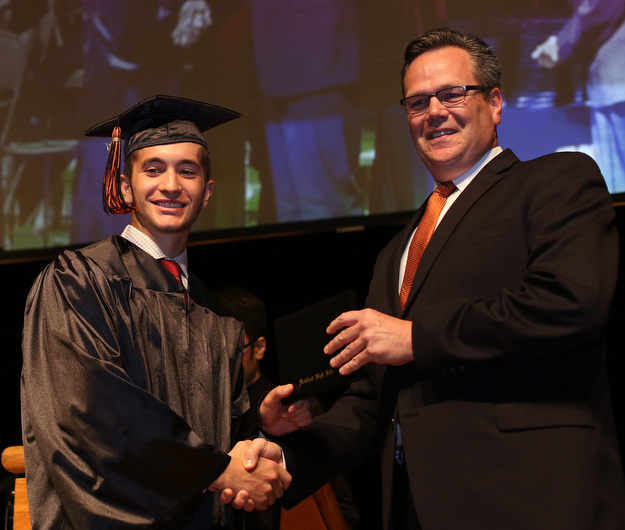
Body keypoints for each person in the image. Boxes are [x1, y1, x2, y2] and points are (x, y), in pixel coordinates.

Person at [236, 28, 625, 529]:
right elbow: (376, 400)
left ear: (496, 103)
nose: (434, 111)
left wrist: (417, 336)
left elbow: (570, 301)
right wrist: (293, 449)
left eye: (452, 94)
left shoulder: (556, 181)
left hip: (532, 497)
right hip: (415, 508)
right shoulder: (395, 252)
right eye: (417, 102)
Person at [20, 94, 311, 529]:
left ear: (207, 192)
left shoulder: (218, 318)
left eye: (187, 171)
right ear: (124, 186)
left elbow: (225, 445)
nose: (171, 185)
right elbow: (88, 414)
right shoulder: (79, 282)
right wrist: (213, 470)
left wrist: (262, 434)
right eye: (153, 169)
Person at [531, 0, 625, 194]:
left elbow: (597, 10)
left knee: (618, 176)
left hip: (617, 80)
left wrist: (559, 47)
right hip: (613, 79)